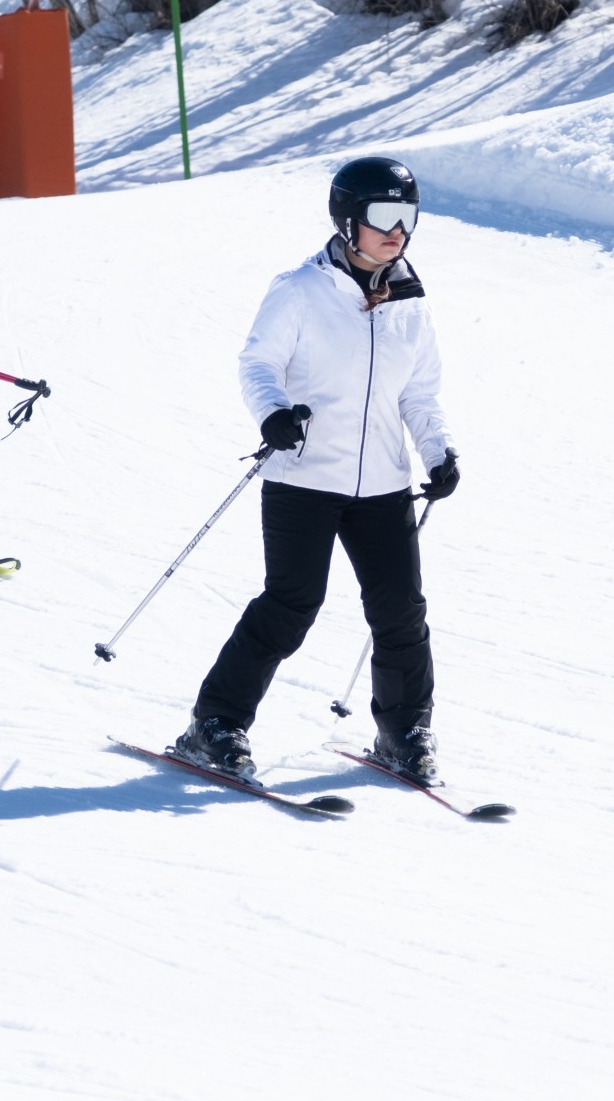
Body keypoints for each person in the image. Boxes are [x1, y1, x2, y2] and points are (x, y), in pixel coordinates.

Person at [174, 156, 461, 785]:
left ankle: (404, 732)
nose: (398, 231)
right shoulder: (301, 289)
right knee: (291, 604)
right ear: (348, 219)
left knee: (400, 613)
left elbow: (419, 395)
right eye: (383, 215)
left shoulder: (411, 302)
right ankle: (214, 723)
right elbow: (259, 363)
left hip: (382, 484)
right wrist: (273, 414)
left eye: (408, 216)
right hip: (303, 478)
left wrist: (439, 452)